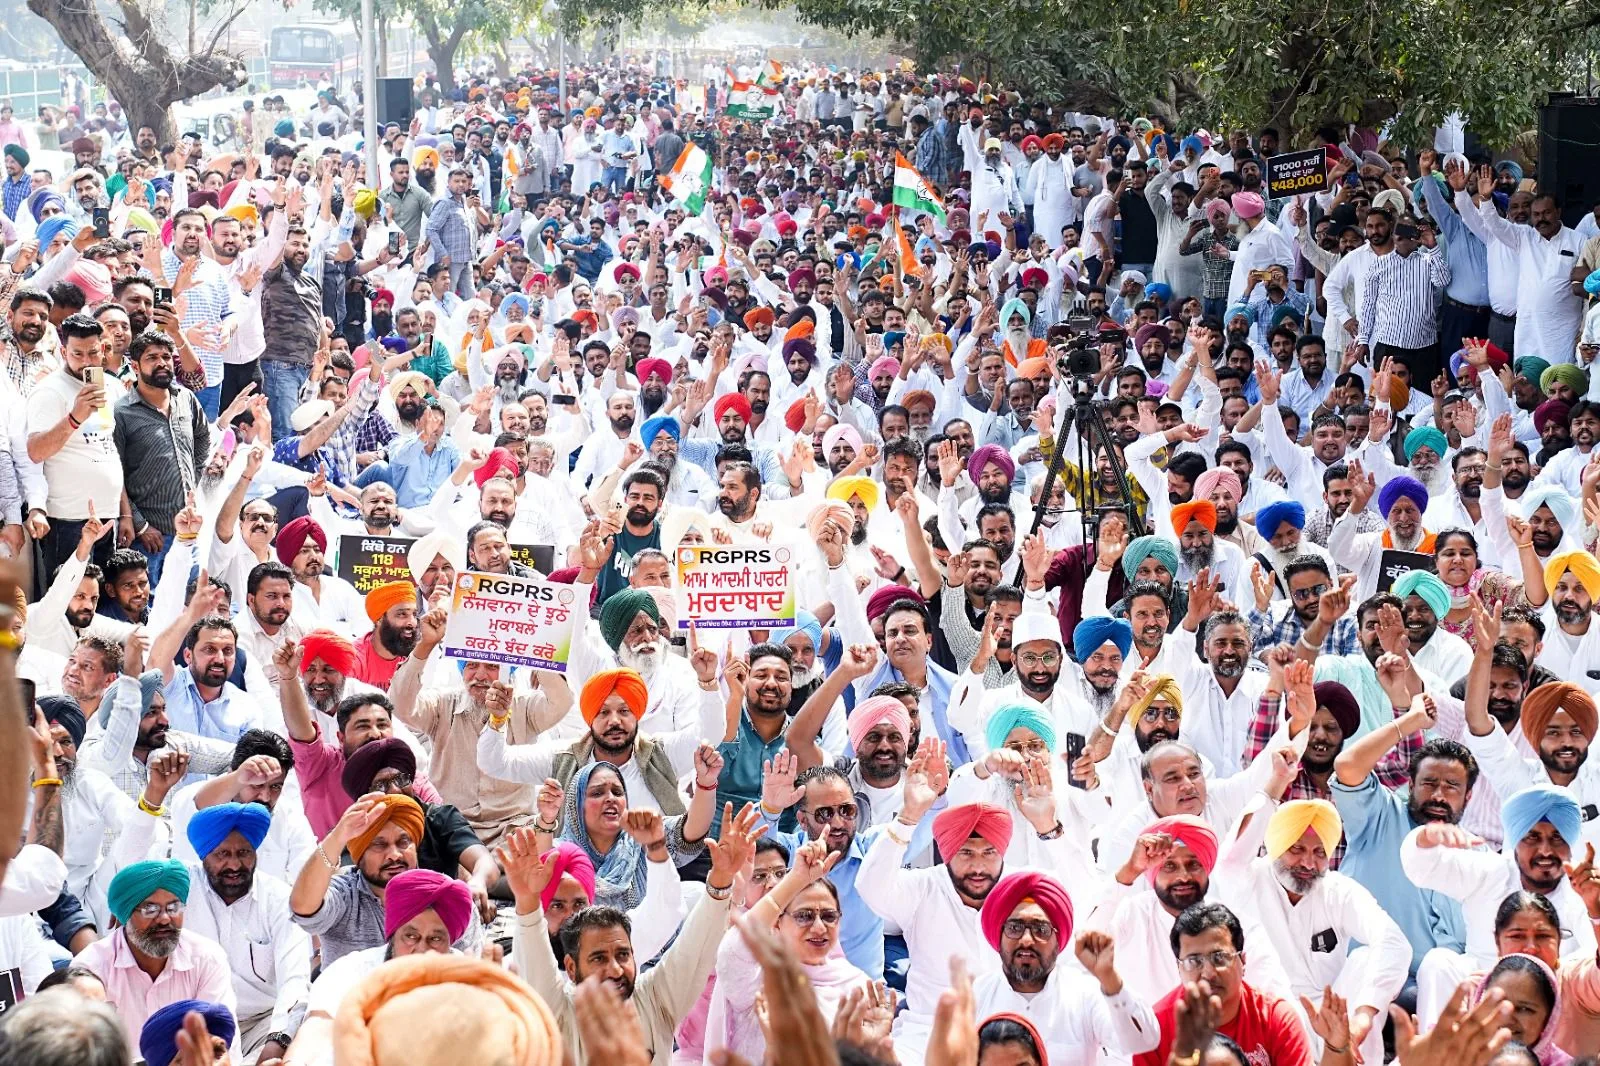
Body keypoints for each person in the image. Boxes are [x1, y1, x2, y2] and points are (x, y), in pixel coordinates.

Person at [506, 802, 763, 1064]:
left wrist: (721, 877)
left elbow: (695, 948)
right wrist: (527, 901)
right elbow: (534, 962)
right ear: (571, 968)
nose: (615, 969)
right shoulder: (555, 1012)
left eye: (622, 955)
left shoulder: (654, 1000)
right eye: (598, 958)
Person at [972, 869, 1160, 1066]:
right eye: (1014, 928)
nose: (1026, 940)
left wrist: (1109, 978)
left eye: (1041, 929)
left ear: (1058, 939)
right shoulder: (976, 996)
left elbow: (1143, 1041)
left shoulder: (1084, 994)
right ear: (999, 934)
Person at [72, 859, 235, 1044]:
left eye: (173, 908)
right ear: (125, 914)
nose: (164, 919)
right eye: (150, 910)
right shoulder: (91, 968)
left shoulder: (207, 959)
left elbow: (219, 1041)